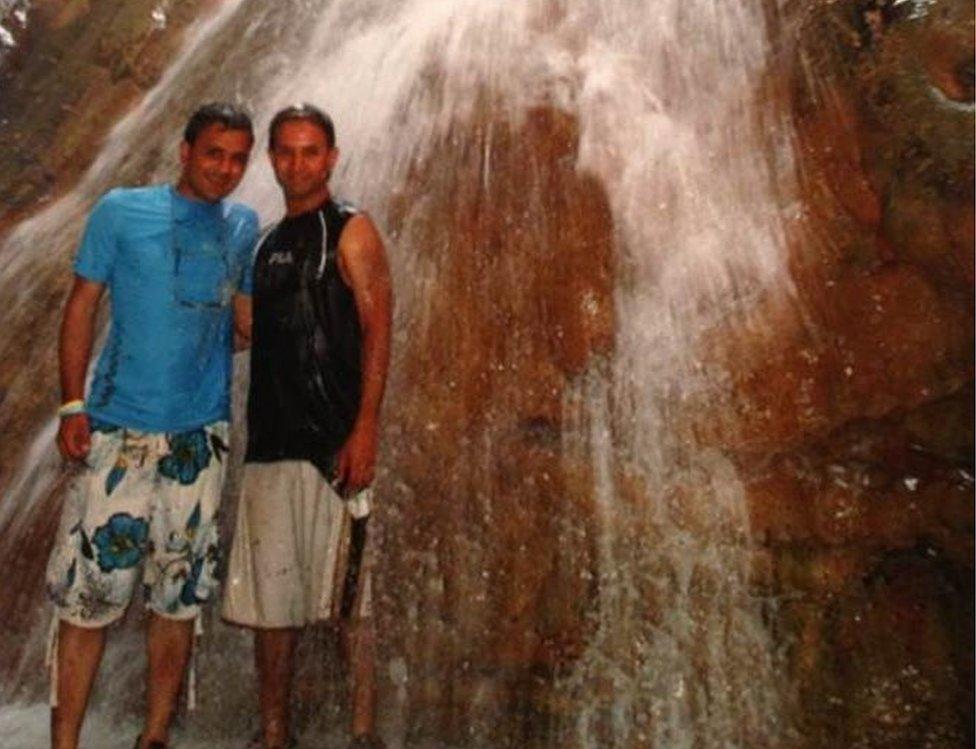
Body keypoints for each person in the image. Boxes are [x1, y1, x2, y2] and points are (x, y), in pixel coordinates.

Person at [47, 102, 259, 749]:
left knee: (179, 600)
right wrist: (72, 405)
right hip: (117, 432)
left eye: (238, 158)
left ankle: (156, 734)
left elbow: (247, 325)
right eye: (214, 153)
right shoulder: (120, 210)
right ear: (186, 150)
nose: (225, 168)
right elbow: (82, 306)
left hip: (200, 440)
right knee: (86, 601)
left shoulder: (245, 225)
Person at [222, 104, 392, 749]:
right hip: (270, 444)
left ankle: (362, 732)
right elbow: (247, 332)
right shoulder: (264, 245)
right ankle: (274, 734)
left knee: (353, 599)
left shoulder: (351, 229)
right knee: (272, 605)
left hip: (333, 443)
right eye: (286, 152)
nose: (298, 163)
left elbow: (379, 327)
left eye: (310, 151)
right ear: (272, 160)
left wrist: (366, 426)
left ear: (331, 157)